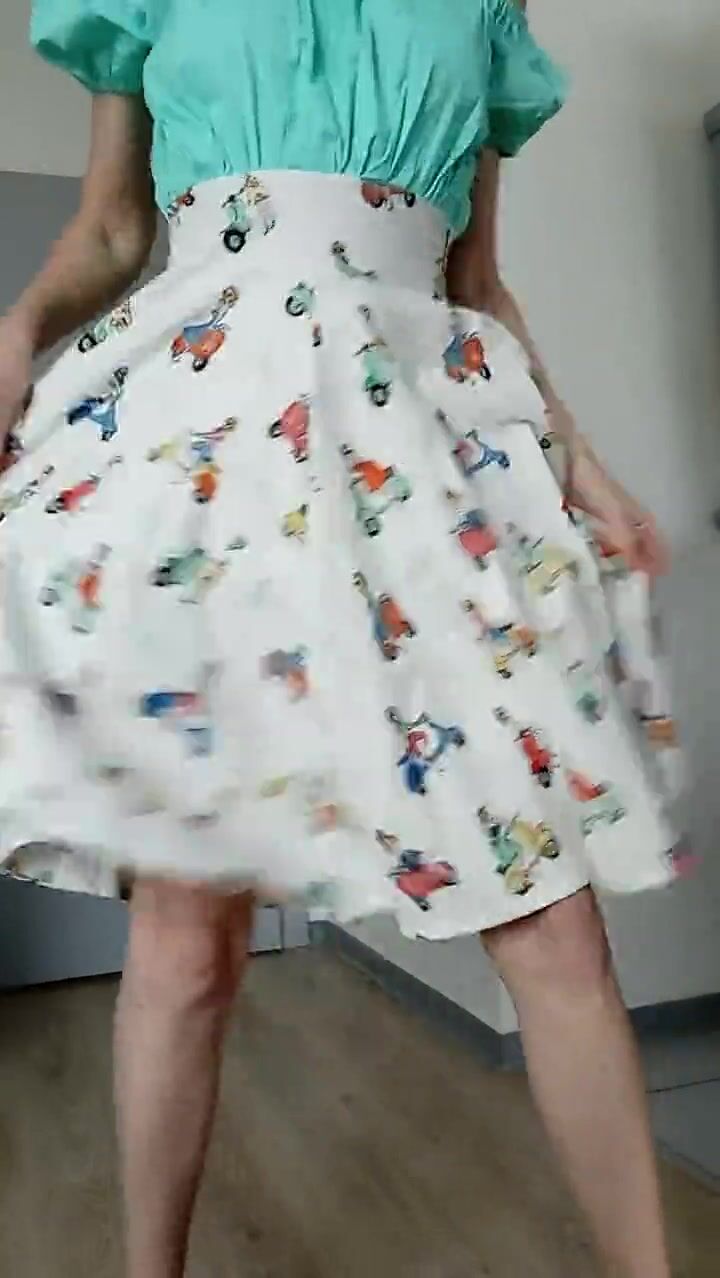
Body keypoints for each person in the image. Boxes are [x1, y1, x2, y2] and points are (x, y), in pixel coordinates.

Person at [0, 2, 680, 1275]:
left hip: (425, 438)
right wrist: (13, 332)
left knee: (552, 920)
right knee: (188, 938)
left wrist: (581, 462)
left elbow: (476, 284)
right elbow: (112, 231)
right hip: (206, 440)